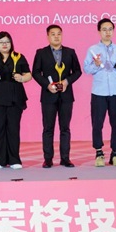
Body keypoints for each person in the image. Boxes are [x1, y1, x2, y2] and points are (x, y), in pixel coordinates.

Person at [0, 31, 32, 169]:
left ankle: (14, 159)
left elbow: (28, 74)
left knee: (13, 128)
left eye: (7, 42)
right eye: (1, 42)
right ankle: (0, 160)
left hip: (15, 97)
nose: (4, 45)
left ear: (11, 43)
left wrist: (22, 78)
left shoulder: (18, 57)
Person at [31, 24, 82, 168]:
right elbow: (36, 72)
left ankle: (65, 158)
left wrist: (66, 81)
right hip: (48, 95)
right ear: (48, 36)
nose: (56, 36)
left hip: (66, 96)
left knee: (65, 128)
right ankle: (48, 159)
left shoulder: (70, 52)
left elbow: (77, 71)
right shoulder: (41, 53)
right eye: (53, 34)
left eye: (59, 33)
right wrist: (47, 85)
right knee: (48, 128)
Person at [83, 18, 116, 167]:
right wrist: (96, 65)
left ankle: (115, 153)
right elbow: (86, 69)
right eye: (104, 29)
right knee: (97, 124)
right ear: (99, 32)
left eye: (110, 29)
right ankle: (99, 152)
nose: (107, 32)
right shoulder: (93, 49)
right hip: (99, 93)